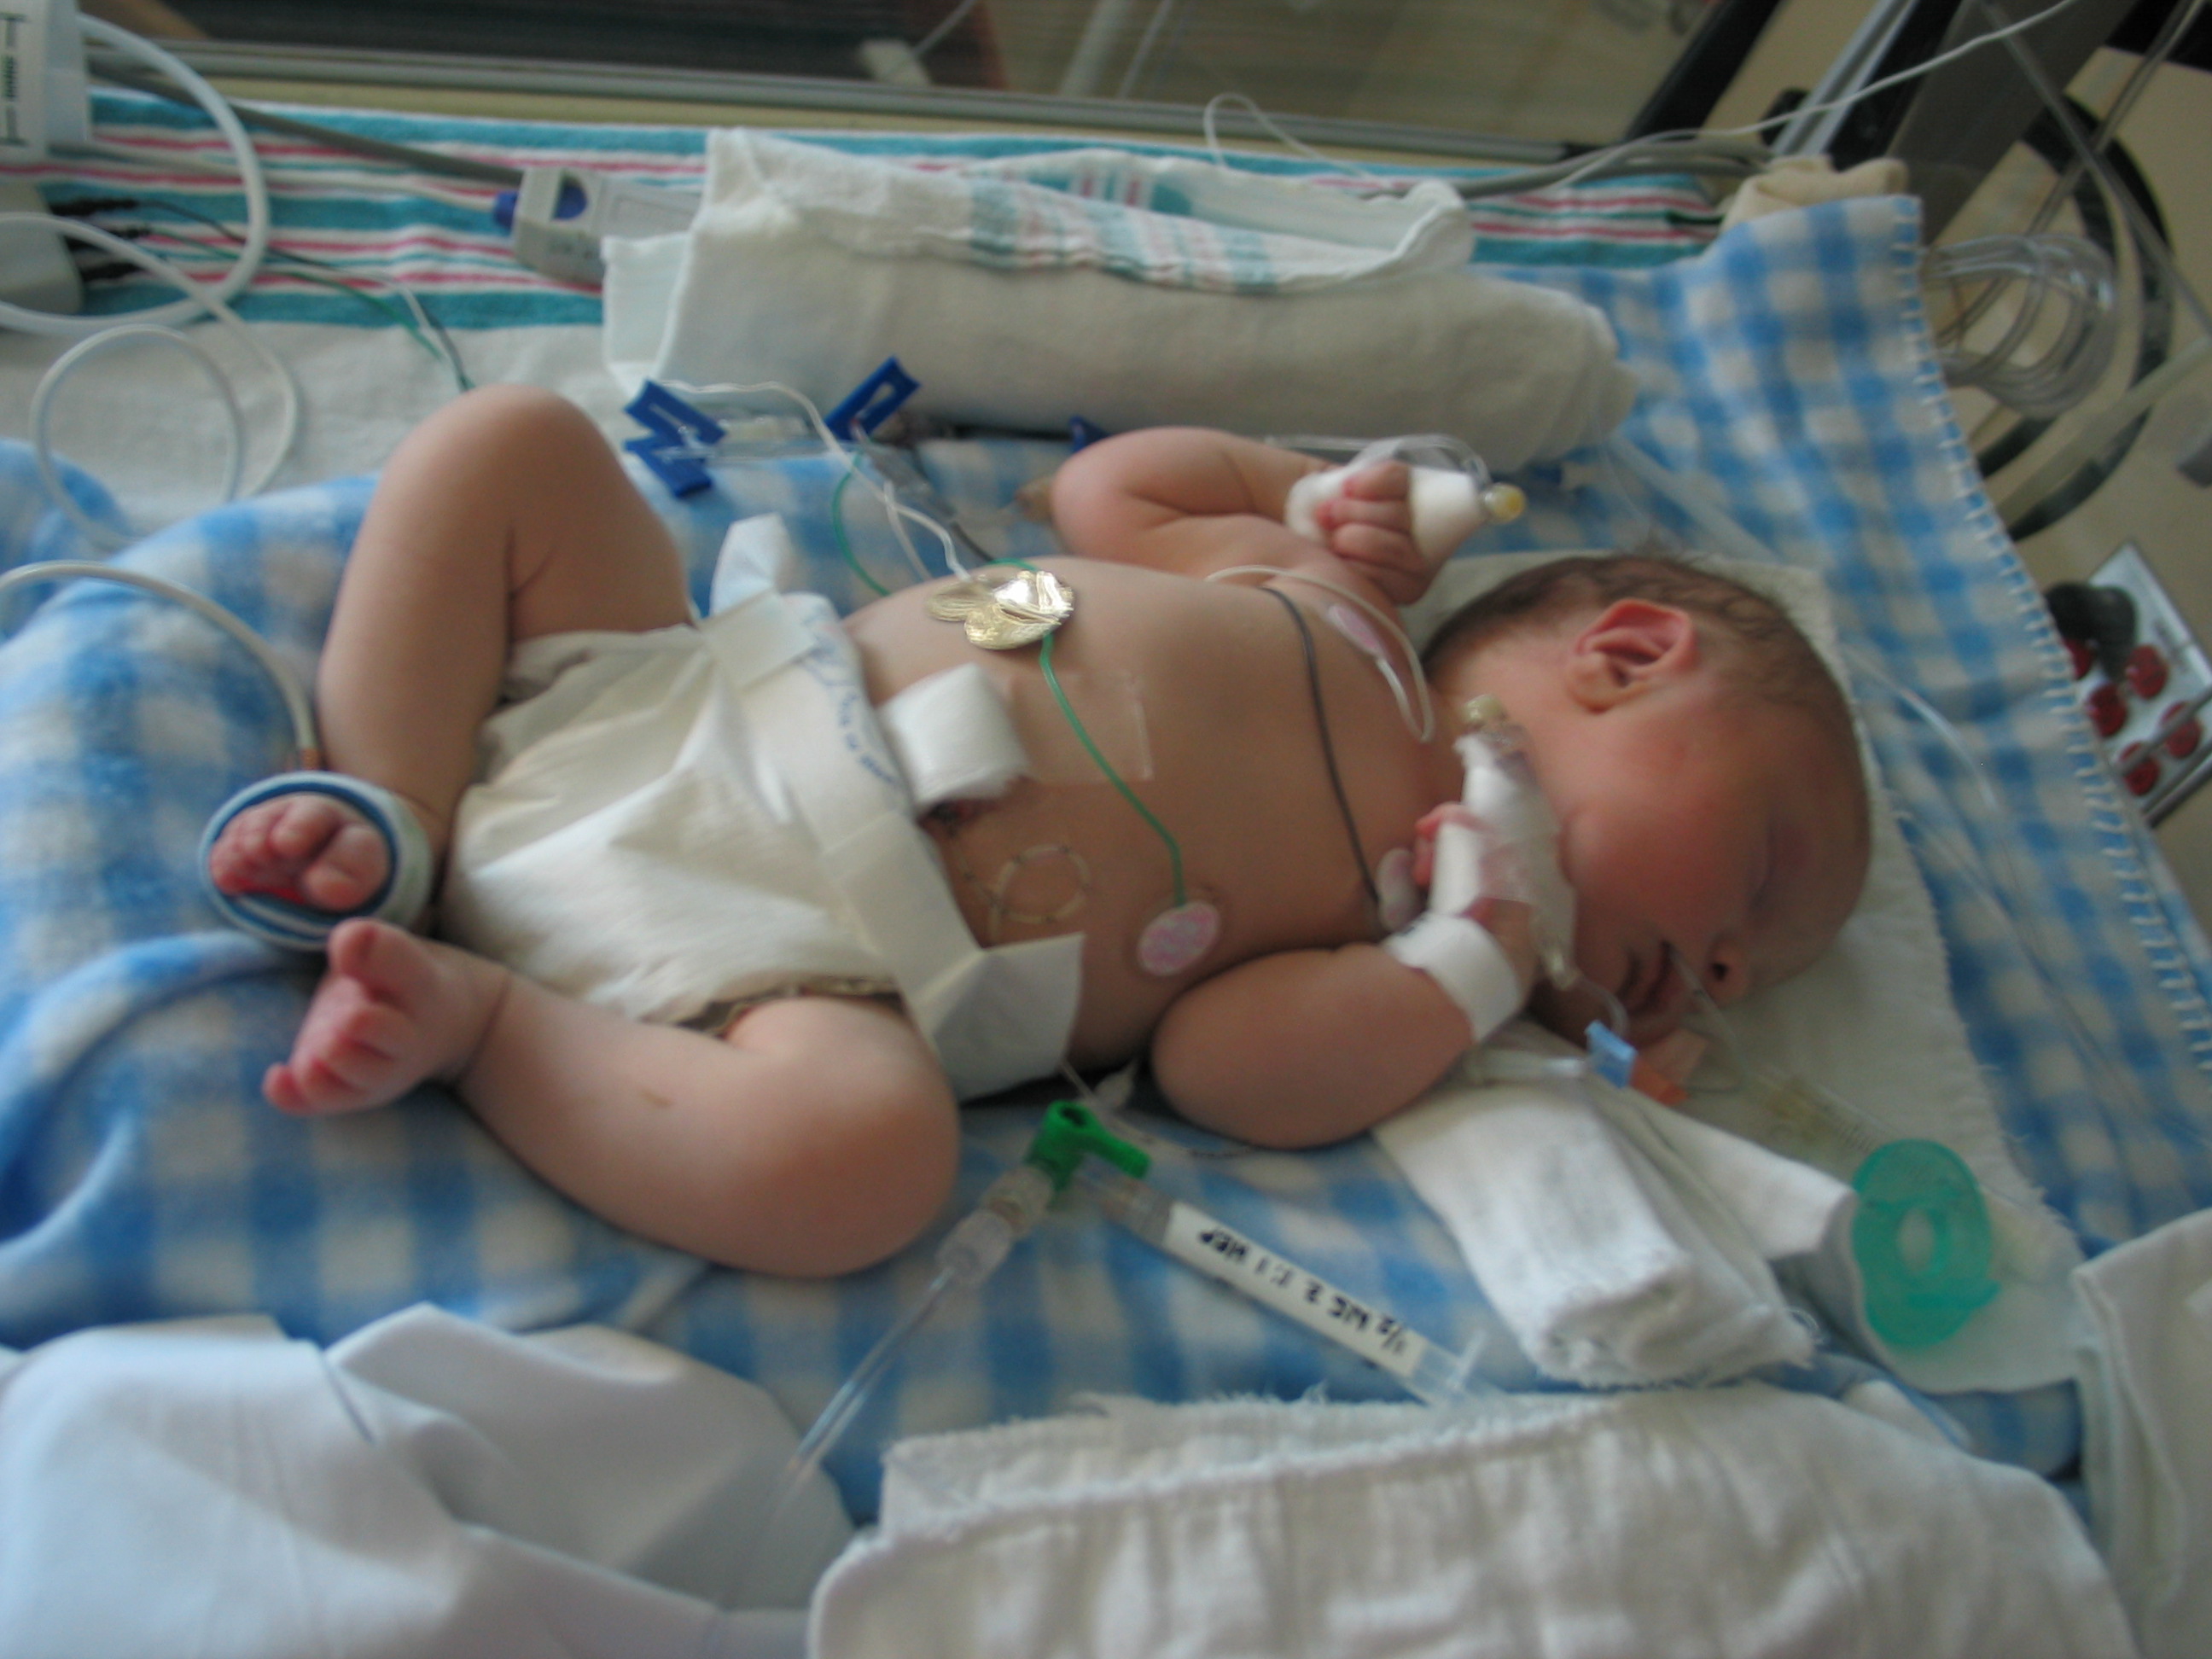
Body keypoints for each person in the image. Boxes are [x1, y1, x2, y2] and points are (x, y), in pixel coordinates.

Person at [206, 385, 1870, 1276]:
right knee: (510, 446)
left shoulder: (1408, 931)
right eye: (1764, 880)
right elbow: (1111, 498)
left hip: (796, 972)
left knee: (863, 1171)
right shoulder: (1331, 601)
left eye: (1741, 976)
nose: (1727, 972)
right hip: (680, 690)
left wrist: (1473, 968)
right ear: (1624, 659)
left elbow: (1224, 1069)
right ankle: (389, 810)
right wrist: (1302, 493)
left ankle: (485, 1018)